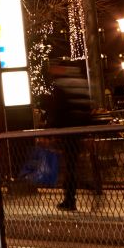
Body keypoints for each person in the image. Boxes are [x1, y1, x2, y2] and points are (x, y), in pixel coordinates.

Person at [44, 61, 94, 211]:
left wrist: (50, 129)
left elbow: (58, 110)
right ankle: (87, 183)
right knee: (75, 162)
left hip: (67, 132)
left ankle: (70, 198)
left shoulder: (61, 85)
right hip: (80, 131)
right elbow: (87, 106)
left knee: (70, 165)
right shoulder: (81, 82)